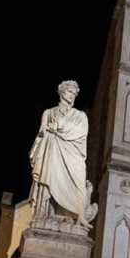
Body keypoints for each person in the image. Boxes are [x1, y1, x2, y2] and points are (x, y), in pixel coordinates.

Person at [29, 80, 89, 223]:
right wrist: (45, 132)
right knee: (48, 176)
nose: (72, 96)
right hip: (52, 151)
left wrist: (59, 126)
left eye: (74, 93)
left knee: (79, 179)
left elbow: (81, 132)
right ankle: (45, 215)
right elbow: (41, 134)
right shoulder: (49, 113)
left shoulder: (80, 116)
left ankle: (76, 215)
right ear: (62, 92)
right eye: (69, 92)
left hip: (73, 154)